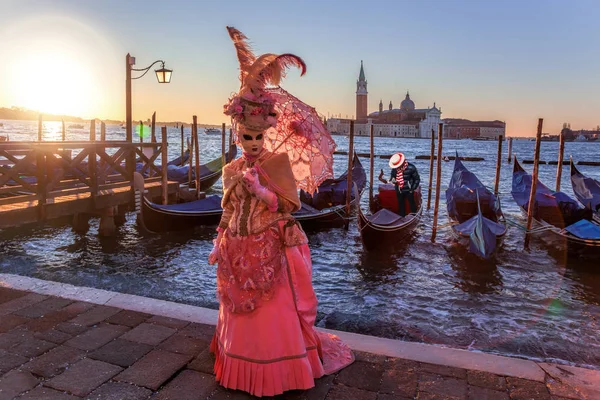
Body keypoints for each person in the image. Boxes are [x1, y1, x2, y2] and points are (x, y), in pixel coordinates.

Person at [207, 26, 354, 398]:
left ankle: (281, 370)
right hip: (236, 250)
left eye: (259, 137)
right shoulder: (230, 170)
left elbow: (291, 205)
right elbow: (228, 209)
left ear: (267, 133)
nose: (254, 143)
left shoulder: (277, 164)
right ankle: (239, 365)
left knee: (273, 311)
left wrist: (263, 190)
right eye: (247, 137)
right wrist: (218, 241)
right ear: (238, 135)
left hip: (271, 245)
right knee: (238, 309)